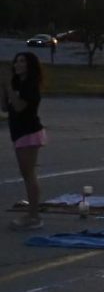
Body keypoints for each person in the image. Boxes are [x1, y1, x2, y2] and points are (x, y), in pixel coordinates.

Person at [5, 51, 47, 231]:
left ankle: (34, 216)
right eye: (16, 61)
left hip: (29, 132)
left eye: (22, 61)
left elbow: (20, 106)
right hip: (19, 133)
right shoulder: (17, 83)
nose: (18, 64)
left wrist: (7, 86)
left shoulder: (30, 86)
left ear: (29, 65)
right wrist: (3, 87)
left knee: (29, 175)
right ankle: (32, 213)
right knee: (26, 174)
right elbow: (5, 107)